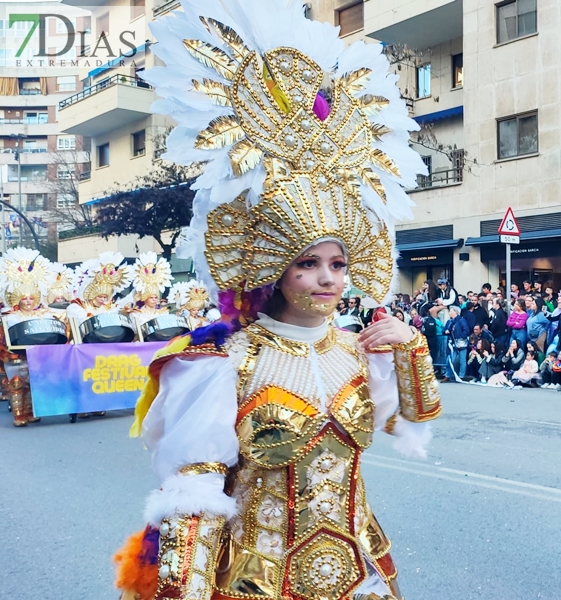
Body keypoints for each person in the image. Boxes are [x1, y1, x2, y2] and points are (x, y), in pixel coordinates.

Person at [113, 7, 440, 599]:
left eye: (338, 265)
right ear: (271, 270)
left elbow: (407, 423)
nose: (328, 280)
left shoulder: (357, 348)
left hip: (357, 570)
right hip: (258, 580)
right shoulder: (221, 361)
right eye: (308, 264)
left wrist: (413, 350)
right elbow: (194, 496)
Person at [0, 248, 64, 426]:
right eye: (24, 299)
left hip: (35, 355)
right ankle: (18, 415)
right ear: (17, 300)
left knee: (32, 384)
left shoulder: (42, 315)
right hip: (16, 355)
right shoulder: (9, 316)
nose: (28, 302)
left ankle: (30, 412)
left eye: (30, 299)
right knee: (16, 384)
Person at [66, 251, 133, 335]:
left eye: (105, 297)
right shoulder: (78, 307)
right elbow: (84, 328)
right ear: (92, 296)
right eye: (100, 297)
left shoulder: (107, 309)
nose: (103, 300)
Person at [128, 252, 173, 334]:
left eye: (156, 298)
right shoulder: (136, 314)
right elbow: (135, 331)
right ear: (145, 298)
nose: (154, 300)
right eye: (151, 298)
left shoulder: (162, 313)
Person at [443, 306, 471, 382]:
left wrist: (460, 337)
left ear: (455, 312)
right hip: (452, 343)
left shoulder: (462, 320)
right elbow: (444, 329)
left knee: (462, 360)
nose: (449, 313)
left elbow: (466, 331)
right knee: (450, 360)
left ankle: (461, 376)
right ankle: (447, 375)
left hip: (460, 342)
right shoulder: (449, 321)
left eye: (451, 311)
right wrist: (445, 331)